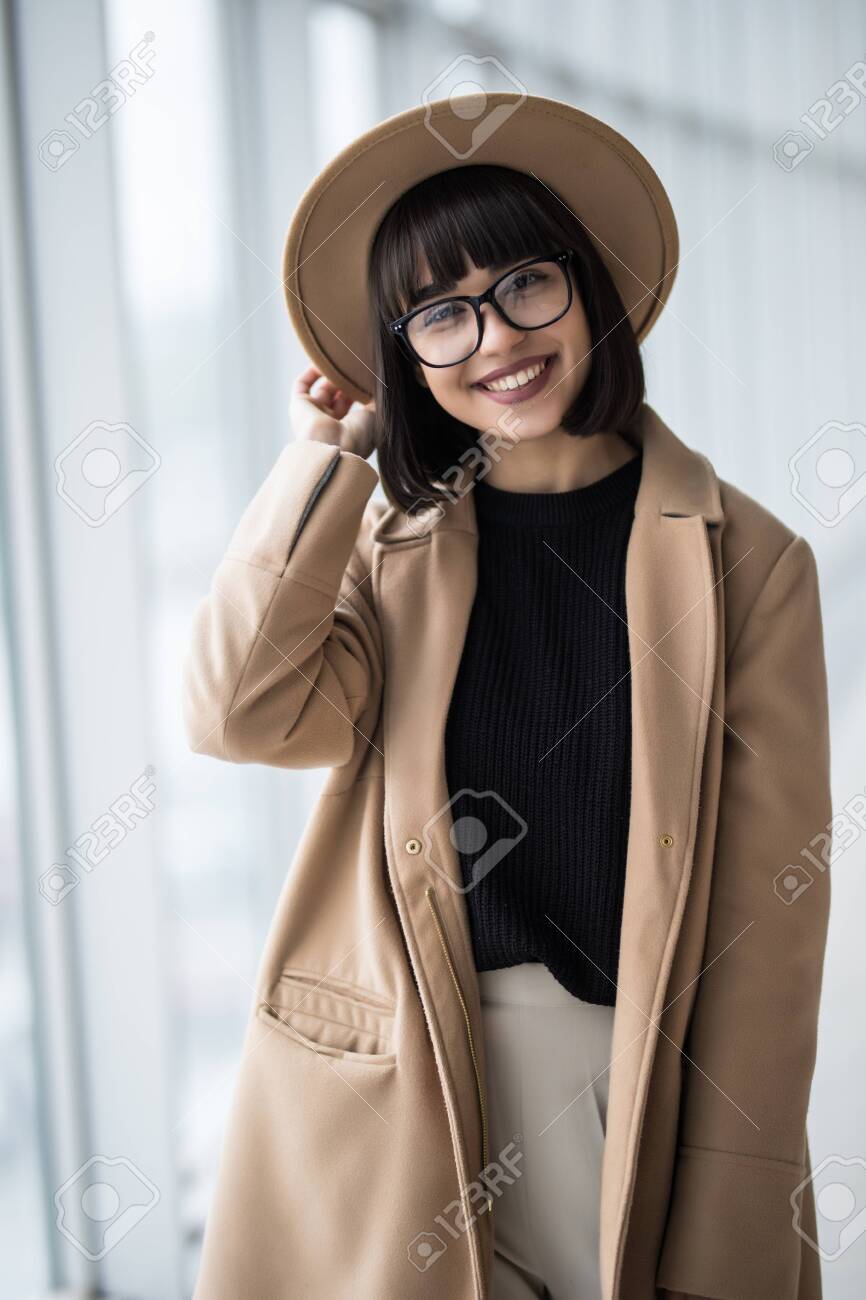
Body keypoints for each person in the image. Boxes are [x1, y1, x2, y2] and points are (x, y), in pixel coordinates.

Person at [183, 94, 830, 1300]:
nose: (493, 339)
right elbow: (236, 712)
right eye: (441, 314)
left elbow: (770, 924)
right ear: (404, 355)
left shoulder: (747, 561)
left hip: (623, 1091)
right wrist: (327, 459)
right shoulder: (379, 547)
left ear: (585, 288)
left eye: (524, 284)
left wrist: (729, 1206)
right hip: (397, 1089)